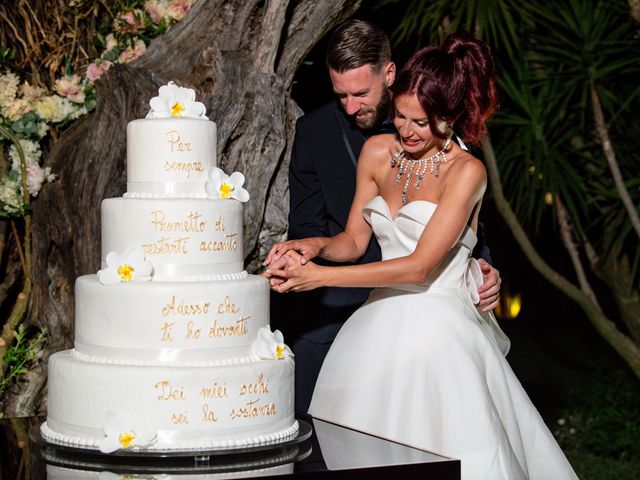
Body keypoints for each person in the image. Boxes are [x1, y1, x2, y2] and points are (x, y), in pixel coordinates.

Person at [264, 32, 578, 479]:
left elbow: (420, 267)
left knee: (454, 454)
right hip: (373, 330)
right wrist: (312, 246)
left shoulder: (467, 171)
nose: (406, 131)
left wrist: (318, 277)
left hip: (438, 335)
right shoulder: (377, 151)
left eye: (420, 122)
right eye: (400, 117)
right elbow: (353, 240)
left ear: (448, 118)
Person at [281, 19, 501, 414]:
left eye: (361, 93)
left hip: (429, 320)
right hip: (336, 317)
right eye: (340, 95)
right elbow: (330, 231)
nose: (350, 107)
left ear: (389, 73)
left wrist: (484, 267)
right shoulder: (320, 134)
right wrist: (308, 247)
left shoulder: (453, 147)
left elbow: (465, 233)